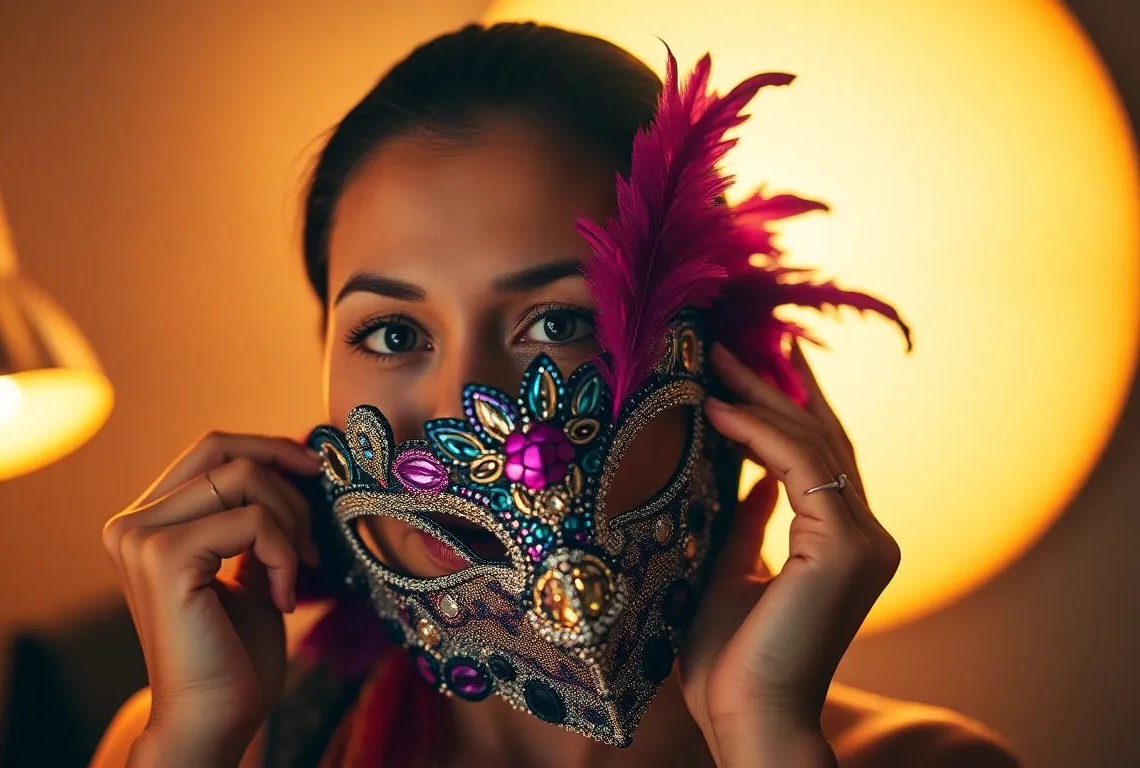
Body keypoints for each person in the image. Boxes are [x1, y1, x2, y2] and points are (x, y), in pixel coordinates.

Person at [90, 22, 1019, 768]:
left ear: (713, 356)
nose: (466, 411)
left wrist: (766, 736)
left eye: (555, 325)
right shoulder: (208, 738)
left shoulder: (924, 760)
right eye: (393, 334)